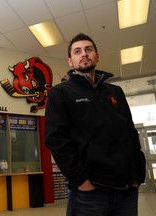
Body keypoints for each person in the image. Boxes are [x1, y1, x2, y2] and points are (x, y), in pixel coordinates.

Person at [45, 33, 146, 216]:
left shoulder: (115, 91)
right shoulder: (60, 93)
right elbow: (57, 141)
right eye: (77, 51)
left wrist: (137, 176)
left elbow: (130, 133)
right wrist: (82, 182)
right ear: (70, 61)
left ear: (96, 56)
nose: (84, 54)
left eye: (88, 49)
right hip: (90, 193)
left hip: (127, 189)